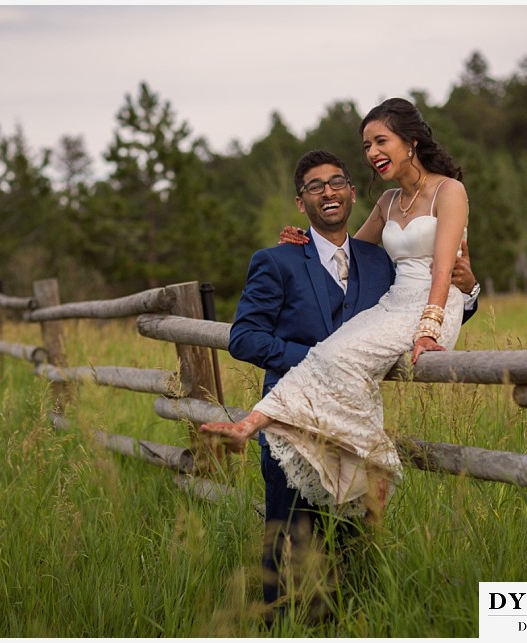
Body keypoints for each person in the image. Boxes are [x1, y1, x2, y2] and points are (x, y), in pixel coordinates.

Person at [204, 100, 478, 613]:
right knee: (289, 538)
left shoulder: (384, 254)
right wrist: (301, 250)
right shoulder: (282, 259)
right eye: (315, 188)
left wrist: (464, 296)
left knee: (346, 542)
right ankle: (278, 623)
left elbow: (442, 273)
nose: (329, 193)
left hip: (354, 406)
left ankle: (347, 619)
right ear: (300, 201)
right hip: (298, 413)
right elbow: (244, 338)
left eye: (380, 142)